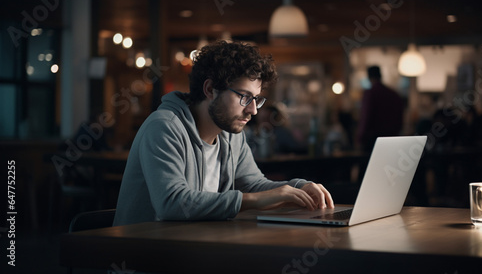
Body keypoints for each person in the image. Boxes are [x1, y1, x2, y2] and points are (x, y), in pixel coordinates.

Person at [113, 41, 334, 226]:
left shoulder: (231, 133)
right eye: (244, 97)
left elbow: (253, 185)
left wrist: (298, 187)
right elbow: (172, 203)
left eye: (256, 99)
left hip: (194, 249)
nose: (253, 110)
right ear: (210, 90)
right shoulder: (164, 127)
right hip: (145, 256)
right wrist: (256, 199)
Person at [356, 65, 404, 151]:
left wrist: (360, 138)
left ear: (369, 77)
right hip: (392, 139)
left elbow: (366, 117)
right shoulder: (394, 95)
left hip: (373, 141)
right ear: (381, 76)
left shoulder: (370, 94)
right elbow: (400, 119)